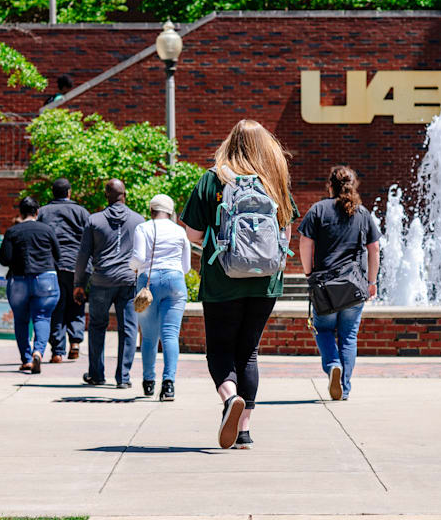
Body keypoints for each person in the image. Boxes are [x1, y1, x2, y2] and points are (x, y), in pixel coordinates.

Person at [181, 120, 298, 450]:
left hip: (222, 279)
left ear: (230, 144)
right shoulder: (275, 182)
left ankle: (229, 398)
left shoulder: (213, 179)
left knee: (219, 350)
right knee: (248, 353)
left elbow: (191, 234)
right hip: (265, 282)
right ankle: (244, 431)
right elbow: (286, 234)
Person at [298, 166, 380, 402]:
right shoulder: (363, 213)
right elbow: (374, 249)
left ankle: (333, 364)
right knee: (348, 335)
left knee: (323, 329)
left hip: (325, 286)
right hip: (354, 287)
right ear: (354, 185)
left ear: (329, 186)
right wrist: (371, 281)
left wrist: (308, 273)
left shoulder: (318, 210)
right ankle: (343, 388)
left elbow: (305, 242)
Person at [74, 179, 144, 389]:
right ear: (125, 194)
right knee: (128, 328)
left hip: (101, 281)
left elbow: (83, 255)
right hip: (127, 280)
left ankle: (96, 374)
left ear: (106, 196)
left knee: (97, 327)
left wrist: (79, 284)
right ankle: (123, 377)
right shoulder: (138, 220)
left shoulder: (94, 220)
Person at [130, 194, 192, 401]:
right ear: (171, 211)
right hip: (175, 280)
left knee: (148, 336)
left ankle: (148, 381)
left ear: (151, 210)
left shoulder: (143, 228)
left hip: (149, 280)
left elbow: (138, 258)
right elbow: (187, 266)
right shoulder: (180, 231)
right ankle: (169, 384)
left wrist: (132, 268)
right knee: (170, 334)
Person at [0, 196, 61, 374]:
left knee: (21, 320)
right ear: (37, 212)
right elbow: (57, 254)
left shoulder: (12, 231)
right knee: (42, 317)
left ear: (20, 212)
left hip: (19, 279)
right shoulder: (47, 230)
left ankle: (26, 359)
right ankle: (38, 352)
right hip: (45, 278)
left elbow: (4, 259)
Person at [38, 178, 90, 362]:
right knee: (77, 303)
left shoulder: (43, 212)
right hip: (78, 265)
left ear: (53, 193)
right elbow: (90, 239)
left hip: (53, 265)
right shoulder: (82, 212)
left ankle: (57, 351)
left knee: (56, 307)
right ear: (69, 192)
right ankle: (75, 343)